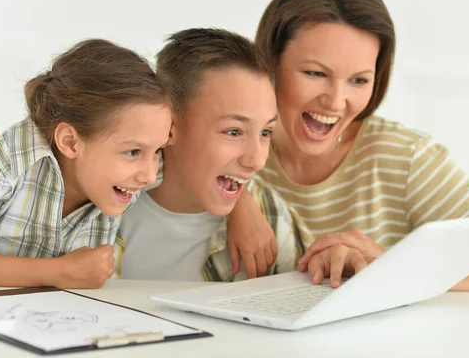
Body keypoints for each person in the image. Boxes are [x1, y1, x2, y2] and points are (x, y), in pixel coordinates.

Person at [0, 0, 469, 290]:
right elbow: (78, 144)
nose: (337, 101)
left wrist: (388, 266)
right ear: (270, 68)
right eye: (316, 73)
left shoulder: (398, 158)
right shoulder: (142, 166)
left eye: (360, 80)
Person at [113, 28, 363, 285]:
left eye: (266, 132)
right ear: (170, 127)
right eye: (233, 132)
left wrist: (332, 268)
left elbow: (302, 295)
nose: (256, 160)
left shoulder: (269, 214)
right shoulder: (104, 199)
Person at [0, 39, 173, 289]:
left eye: (158, 150)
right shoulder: (7, 164)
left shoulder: (127, 173)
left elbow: (203, 164)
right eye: (133, 152)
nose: (149, 175)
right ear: (70, 142)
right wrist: (57, 272)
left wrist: (231, 213)